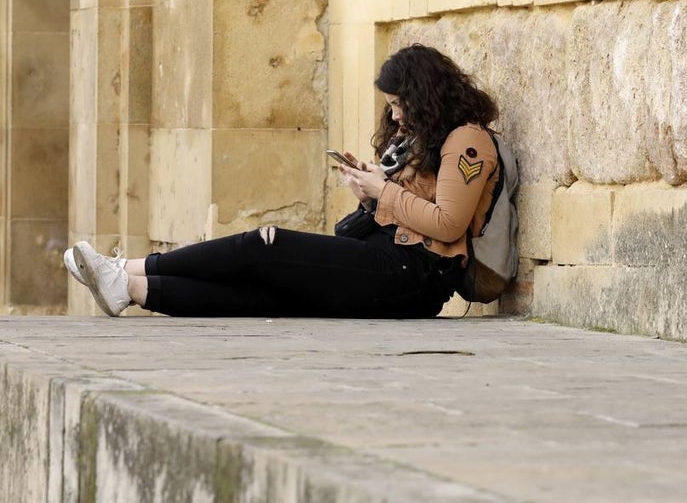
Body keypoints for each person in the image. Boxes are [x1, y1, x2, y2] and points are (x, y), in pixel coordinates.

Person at [64, 44, 501, 319]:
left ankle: (128, 268)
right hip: (392, 260)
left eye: (399, 103)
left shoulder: (468, 142)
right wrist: (370, 194)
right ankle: (134, 289)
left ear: (425, 96)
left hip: (414, 275)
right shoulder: (423, 139)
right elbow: (412, 208)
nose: (395, 115)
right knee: (269, 294)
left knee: (266, 245)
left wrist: (382, 191)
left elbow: (448, 223)